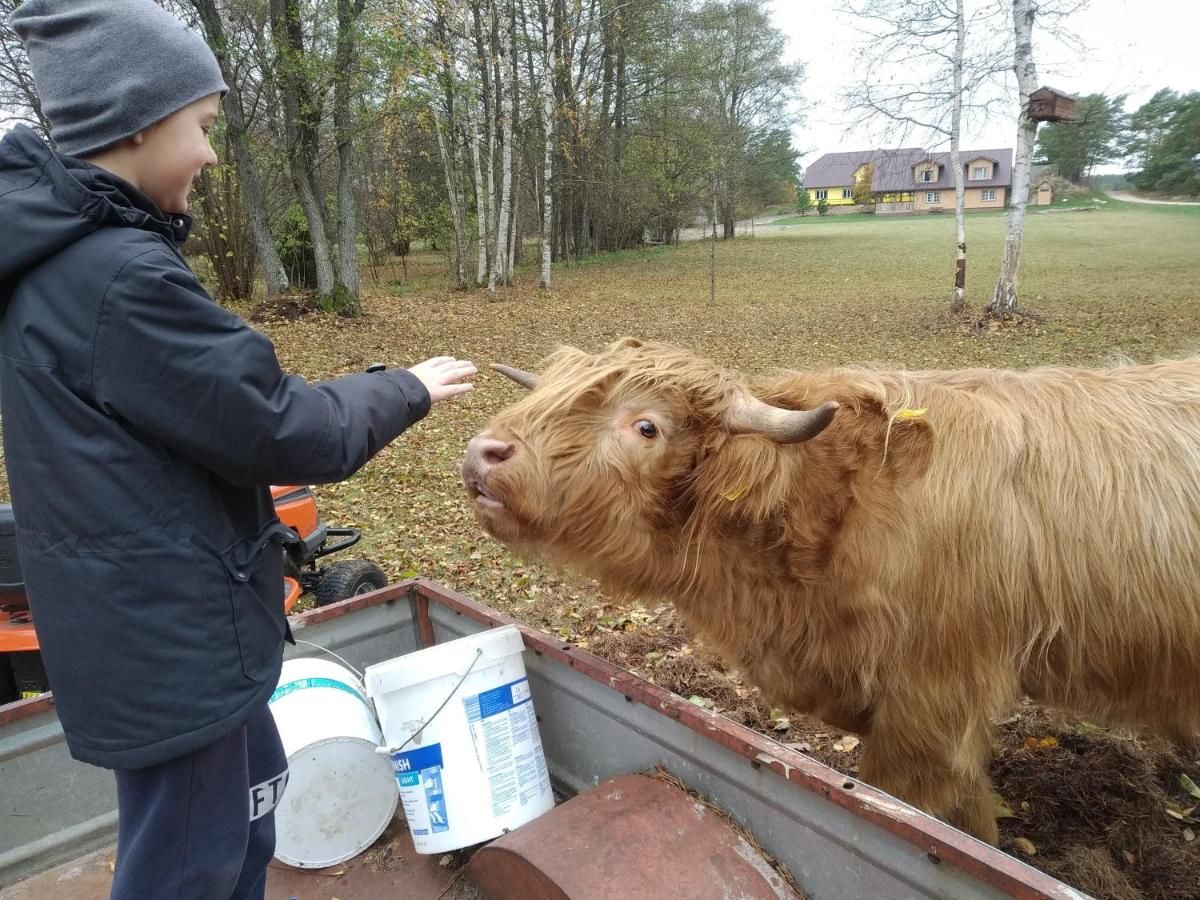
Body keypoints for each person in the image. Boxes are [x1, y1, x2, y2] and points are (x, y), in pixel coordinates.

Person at [0, 1, 475, 897]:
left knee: (248, 818)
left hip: (159, 630)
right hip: (172, 648)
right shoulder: (118, 277)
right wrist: (405, 386)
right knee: (188, 866)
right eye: (204, 127)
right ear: (140, 121)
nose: (214, 154)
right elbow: (281, 426)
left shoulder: (62, 263)